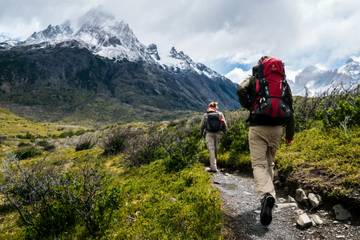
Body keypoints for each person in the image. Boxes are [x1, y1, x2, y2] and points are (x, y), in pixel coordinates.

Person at [237, 56, 295, 226]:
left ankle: (267, 195)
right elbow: (290, 108)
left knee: (259, 165)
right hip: (277, 128)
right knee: (270, 163)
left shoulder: (255, 78)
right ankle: (269, 196)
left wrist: (250, 105)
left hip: (258, 126)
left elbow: (240, 89)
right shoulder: (283, 82)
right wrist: (290, 134)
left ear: (261, 65)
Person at [200, 101, 227, 173]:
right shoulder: (220, 114)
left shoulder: (205, 115)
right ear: (216, 107)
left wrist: (201, 134)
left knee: (211, 150)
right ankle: (215, 166)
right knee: (216, 149)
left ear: (209, 107)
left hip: (209, 134)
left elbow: (202, 126)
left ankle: (213, 167)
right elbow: (224, 124)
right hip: (218, 133)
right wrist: (225, 132)